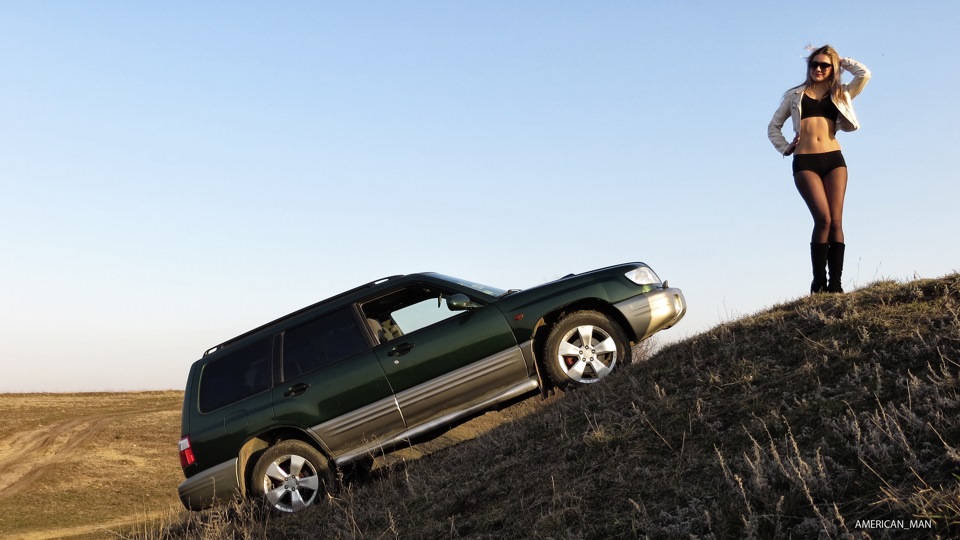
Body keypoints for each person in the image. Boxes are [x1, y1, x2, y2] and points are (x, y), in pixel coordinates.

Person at [768, 45, 870, 293]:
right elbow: (773, 127)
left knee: (836, 221)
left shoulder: (841, 93)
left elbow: (864, 75)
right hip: (805, 162)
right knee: (822, 219)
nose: (818, 69)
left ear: (832, 68)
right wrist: (785, 148)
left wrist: (841, 60)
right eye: (814, 64)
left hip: (834, 159)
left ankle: (835, 284)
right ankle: (818, 281)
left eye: (825, 65)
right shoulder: (795, 95)